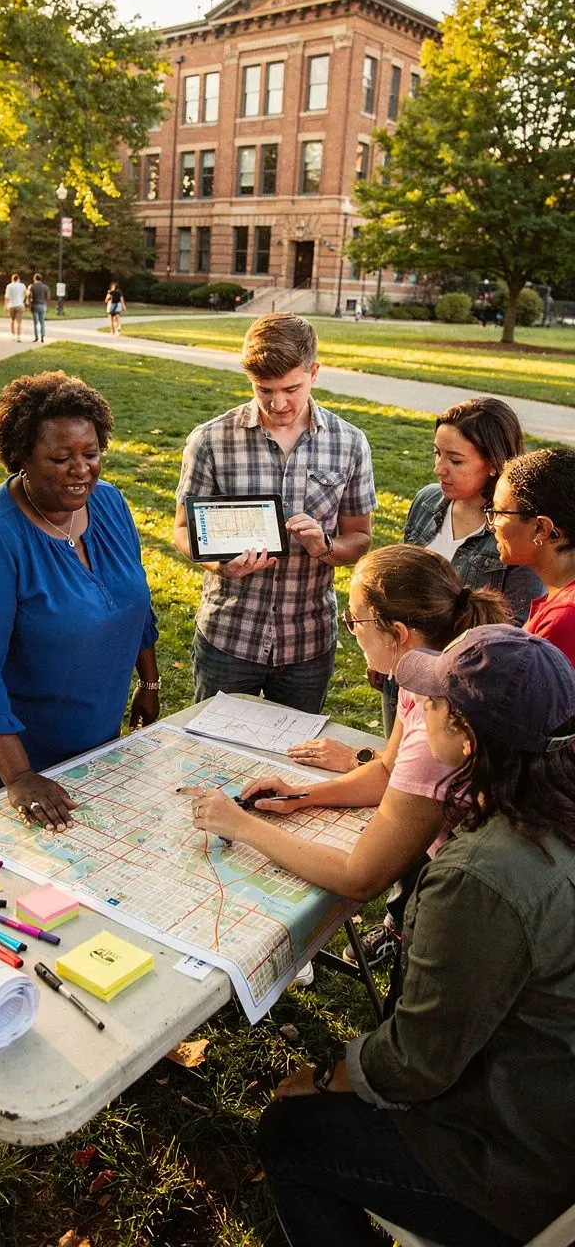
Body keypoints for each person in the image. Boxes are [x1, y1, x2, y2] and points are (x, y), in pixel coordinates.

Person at [256, 625, 575, 1247]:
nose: (419, 711)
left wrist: (324, 1077)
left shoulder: (481, 876)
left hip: (519, 1162)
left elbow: (413, 1065)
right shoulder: (548, 804)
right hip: (548, 1099)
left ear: (465, 737)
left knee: (286, 1133)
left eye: (432, 703)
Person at [187, 545, 509, 954]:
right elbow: (388, 771)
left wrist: (242, 826)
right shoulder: (421, 670)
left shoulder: (440, 724)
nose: (351, 630)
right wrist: (301, 795)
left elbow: (361, 878)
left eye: (354, 619)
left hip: (472, 898)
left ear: (398, 633)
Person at [0, 372, 160, 830]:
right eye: (60, 457)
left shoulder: (108, 504)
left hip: (88, 723)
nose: (81, 470)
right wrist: (19, 776)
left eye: (91, 454)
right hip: (2, 742)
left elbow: (135, 604)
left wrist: (147, 684)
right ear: (22, 459)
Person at [173, 314, 376, 713]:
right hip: (229, 635)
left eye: (291, 389)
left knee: (292, 765)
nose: (278, 403)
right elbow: (182, 529)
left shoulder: (350, 443)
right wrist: (220, 566)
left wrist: (325, 546)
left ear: (314, 372)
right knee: (215, 757)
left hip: (307, 641)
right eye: (264, 390)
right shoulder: (210, 439)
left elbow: (361, 539)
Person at [376, 397, 541, 737]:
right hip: (402, 673)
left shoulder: (513, 531)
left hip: (461, 695)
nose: (439, 469)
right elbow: (400, 582)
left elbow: (516, 632)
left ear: (494, 464)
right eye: (437, 453)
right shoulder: (426, 501)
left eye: (455, 460)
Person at [489, 446, 575, 665]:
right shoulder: (558, 600)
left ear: (541, 528)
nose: (493, 524)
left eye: (499, 512)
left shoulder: (563, 621)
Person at [27, 273, 51, 343]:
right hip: (42, 305)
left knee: (35, 323)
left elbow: (29, 296)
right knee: (42, 322)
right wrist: (46, 304)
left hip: (34, 305)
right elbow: (48, 297)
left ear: (34, 278)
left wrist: (29, 304)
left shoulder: (32, 286)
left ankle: (36, 337)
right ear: (41, 279)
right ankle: (42, 337)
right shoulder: (45, 287)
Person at [4, 273, 26, 340]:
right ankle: (18, 337)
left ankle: (13, 335)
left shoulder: (9, 286)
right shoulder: (22, 285)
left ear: (12, 279)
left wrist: (5, 306)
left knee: (12, 321)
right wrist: (22, 300)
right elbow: (24, 294)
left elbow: (7, 297)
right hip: (20, 305)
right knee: (19, 322)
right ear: (18, 279)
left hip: (11, 305)